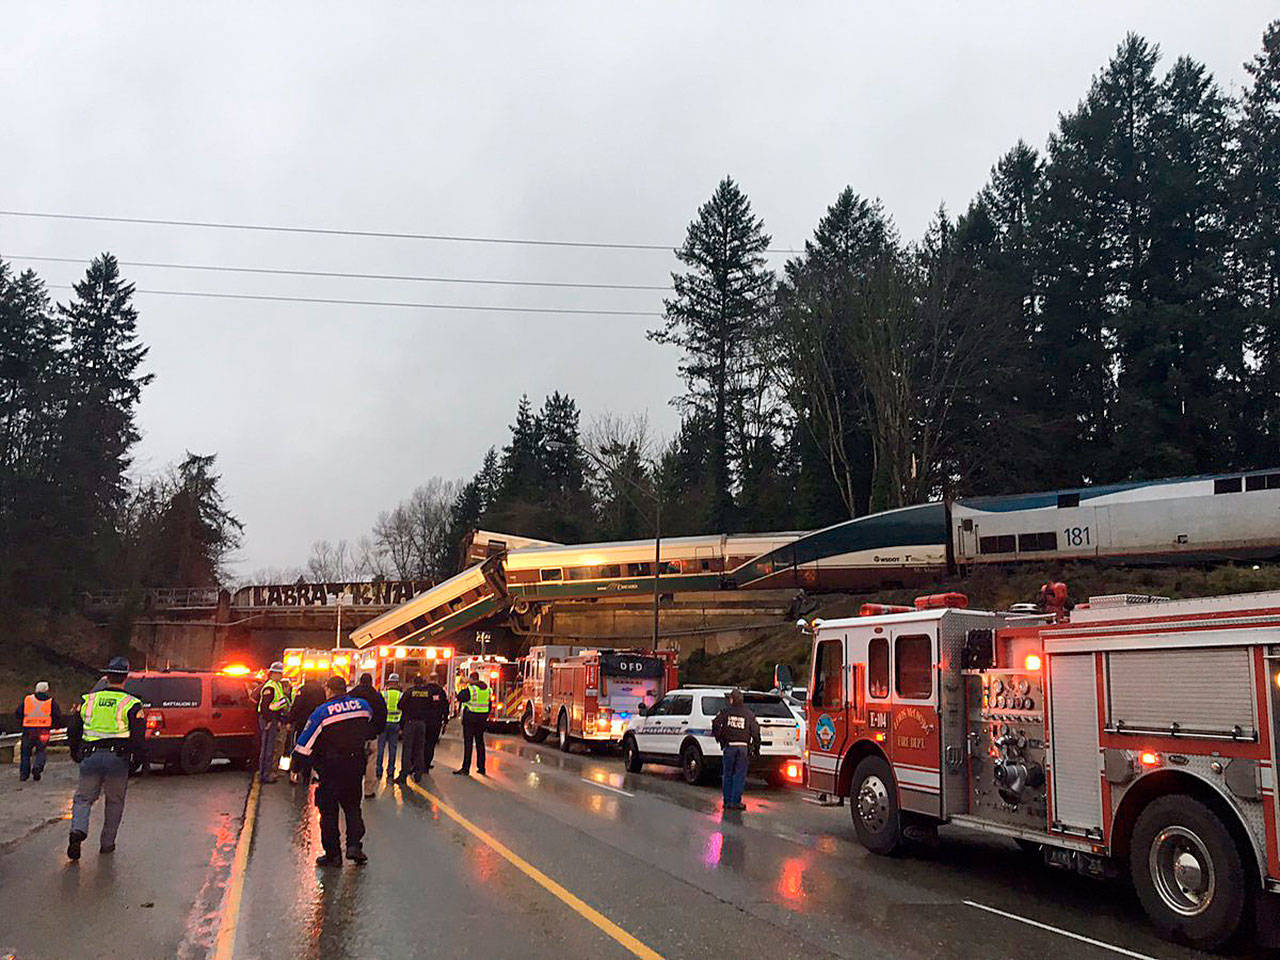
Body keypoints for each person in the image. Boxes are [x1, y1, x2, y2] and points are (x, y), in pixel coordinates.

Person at [66, 658, 145, 859]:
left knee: (83, 798)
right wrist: (137, 760)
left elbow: (73, 729)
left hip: (90, 756)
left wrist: (75, 751)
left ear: (106, 677)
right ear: (125, 678)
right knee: (114, 802)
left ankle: (78, 831)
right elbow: (138, 736)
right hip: (117, 759)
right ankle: (107, 844)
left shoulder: (87, 700)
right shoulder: (132, 703)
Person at [292, 675, 374, 866]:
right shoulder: (362, 706)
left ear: (328, 690)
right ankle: (354, 846)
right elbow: (370, 725)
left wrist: (296, 766)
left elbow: (304, 745)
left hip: (331, 768)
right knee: (353, 807)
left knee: (329, 812)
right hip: (355, 766)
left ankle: (333, 855)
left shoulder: (321, 713)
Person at [712, 688, 760, 812]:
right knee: (739, 775)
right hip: (743, 748)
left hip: (729, 747)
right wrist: (756, 747)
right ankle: (735, 802)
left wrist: (720, 738)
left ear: (732, 699)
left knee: (728, 774)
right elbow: (755, 731)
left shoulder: (725, 712)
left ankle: (727, 801)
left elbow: (716, 724)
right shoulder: (748, 713)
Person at [396, 672, 449, 783]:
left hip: (410, 723)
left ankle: (404, 774)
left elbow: (400, 705)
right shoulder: (428, 693)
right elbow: (434, 706)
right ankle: (418, 774)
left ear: (414, 683)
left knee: (408, 749)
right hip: (422, 724)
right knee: (420, 749)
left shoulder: (409, 692)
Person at [347, 672, 386, 799]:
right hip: (370, 735)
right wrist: (377, 731)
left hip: (353, 735)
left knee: (352, 761)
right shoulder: (376, 696)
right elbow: (382, 714)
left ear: (359, 681)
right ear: (371, 682)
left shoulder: (351, 695)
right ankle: (368, 790)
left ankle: (351, 788)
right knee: (371, 762)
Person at [15, 681, 63, 782]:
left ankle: (24, 775)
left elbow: (18, 713)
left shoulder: (28, 699)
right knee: (41, 751)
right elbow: (57, 715)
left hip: (29, 730)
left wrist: (22, 723)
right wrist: (56, 726)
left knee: (25, 753)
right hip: (43, 730)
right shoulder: (51, 701)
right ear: (46, 690)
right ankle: (37, 767)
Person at [287, 675, 327, 784]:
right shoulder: (321, 690)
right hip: (317, 724)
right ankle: (307, 773)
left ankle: (295, 771)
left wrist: (290, 720)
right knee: (314, 748)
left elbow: (297, 706)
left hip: (303, 723)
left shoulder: (303, 689)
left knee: (300, 747)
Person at [257, 661, 291, 784]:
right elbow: (266, 706)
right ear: (273, 674)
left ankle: (266, 773)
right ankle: (264, 775)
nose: (281, 676)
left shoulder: (276, 685)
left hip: (273, 719)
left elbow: (277, 705)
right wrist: (269, 720)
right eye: (279, 673)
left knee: (270, 748)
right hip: (268, 720)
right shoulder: (270, 687)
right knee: (268, 748)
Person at [453, 670, 490, 777]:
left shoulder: (471, 689)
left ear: (472, 679)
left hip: (470, 719)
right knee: (480, 743)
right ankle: (481, 767)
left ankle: (465, 768)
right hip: (482, 719)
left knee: (468, 744)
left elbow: (460, 697)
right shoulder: (487, 689)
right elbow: (489, 705)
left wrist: (464, 685)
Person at [376, 673, 403, 782]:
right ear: (397, 683)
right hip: (396, 724)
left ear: (389, 682)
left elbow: (379, 710)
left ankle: (378, 770)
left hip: (384, 724)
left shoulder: (383, 694)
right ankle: (391, 770)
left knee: (381, 748)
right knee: (393, 748)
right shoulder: (401, 695)